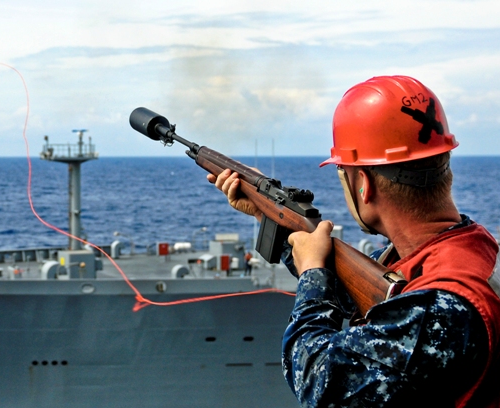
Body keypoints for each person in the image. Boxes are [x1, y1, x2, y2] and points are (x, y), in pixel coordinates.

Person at [208, 76, 500, 406]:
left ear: (363, 183)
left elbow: (320, 380)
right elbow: (352, 289)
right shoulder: (469, 248)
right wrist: (268, 215)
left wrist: (312, 277)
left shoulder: (439, 308)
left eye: (342, 173)